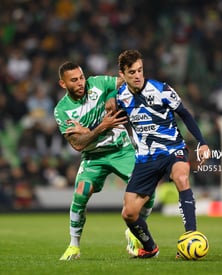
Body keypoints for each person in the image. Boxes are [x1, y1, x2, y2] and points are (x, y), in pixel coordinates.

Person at [54, 61, 154, 260]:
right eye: (74, 80)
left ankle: (135, 229)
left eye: (81, 77)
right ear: (63, 84)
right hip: (93, 156)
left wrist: (110, 95)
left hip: (120, 149)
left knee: (148, 191)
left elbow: (124, 81)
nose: (81, 83)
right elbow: (78, 144)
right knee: (80, 194)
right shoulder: (62, 110)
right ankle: (74, 246)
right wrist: (101, 127)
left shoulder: (97, 83)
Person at [116, 50, 211, 258]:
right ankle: (150, 248)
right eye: (132, 72)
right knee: (129, 213)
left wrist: (202, 143)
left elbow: (185, 114)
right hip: (145, 158)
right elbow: (113, 119)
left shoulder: (162, 90)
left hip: (172, 149)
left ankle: (191, 235)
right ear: (122, 74)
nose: (138, 75)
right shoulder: (120, 97)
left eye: (140, 70)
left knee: (181, 177)